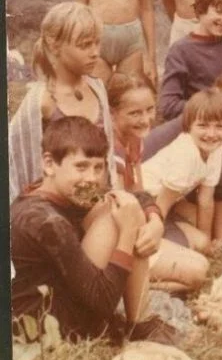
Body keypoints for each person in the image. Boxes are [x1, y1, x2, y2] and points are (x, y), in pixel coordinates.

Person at [11, 116, 177, 344]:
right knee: (116, 214)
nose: (91, 178)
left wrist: (155, 219)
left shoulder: (59, 188)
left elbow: (135, 196)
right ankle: (139, 324)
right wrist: (128, 232)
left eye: (98, 167)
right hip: (48, 327)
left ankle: (140, 322)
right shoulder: (45, 221)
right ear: (49, 164)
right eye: (81, 166)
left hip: (62, 300)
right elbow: (103, 302)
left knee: (122, 203)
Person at [108, 72, 210, 292]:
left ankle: (137, 282)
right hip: (116, 238)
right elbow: (119, 215)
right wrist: (149, 232)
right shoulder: (111, 151)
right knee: (199, 271)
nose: (146, 120)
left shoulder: (134, 139)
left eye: (149, 109)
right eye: (135, 113)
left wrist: (154, 221)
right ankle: (124, 286)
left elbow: (139, 192)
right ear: (112, 113)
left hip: (135, 223)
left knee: (201, 245)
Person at [9, 2, 117, 203]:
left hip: (96, 196)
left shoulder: (97, 87)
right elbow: (18, 157)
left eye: (97, 43)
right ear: (54, 45)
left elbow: (108, 155)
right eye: (85, 45)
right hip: (58, 203)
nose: (95, 52)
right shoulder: (43, 100)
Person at [141, 89, 222, 255]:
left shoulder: (216, 147)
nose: (211, 134)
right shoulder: (186, 154)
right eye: (202, 126)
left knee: (202, 241)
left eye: (220, 127)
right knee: (184, 248)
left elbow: (205, 200)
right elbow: (162, 205)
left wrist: (206, 243)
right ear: (188, 126)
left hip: (171, 203)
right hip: (148, 204)